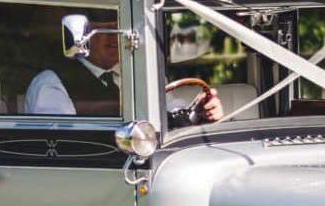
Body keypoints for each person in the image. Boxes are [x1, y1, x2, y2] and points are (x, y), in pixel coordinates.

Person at [26, 17, 222, 125]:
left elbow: (168, 113)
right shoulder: (51, 84)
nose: (114, 39)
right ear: (84, 36)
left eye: (118, 29)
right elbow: (65, 142)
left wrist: (200, 113)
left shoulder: (142, 73)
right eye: (104, 30)